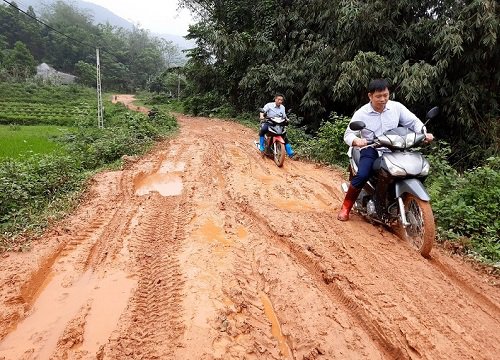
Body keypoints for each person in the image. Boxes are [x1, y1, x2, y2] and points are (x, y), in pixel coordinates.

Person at [337, 78, 434, 221]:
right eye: (378, 96)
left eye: (386, 95)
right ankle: (346, 207)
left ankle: (400, 200)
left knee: (413, 169)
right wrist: (357, 140)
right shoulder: (362, 113)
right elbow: (348, 134)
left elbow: (413, 121)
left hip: (394, 148)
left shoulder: (396, 107)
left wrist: (423, 132)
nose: (383, 99)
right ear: (370, 96)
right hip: (371, 149)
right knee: (363, 174)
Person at [259, 93, 295, 157]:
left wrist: (287, 119)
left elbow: (284, 116)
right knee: (263, 130)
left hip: (279, 124)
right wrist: (262, 116)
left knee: (284, 135)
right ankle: (261, 146)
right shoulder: (269, 105)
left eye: (281, 100)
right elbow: (262, 111)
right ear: (275, 99)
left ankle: (290, 152)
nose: (280, 101)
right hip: (270, 122)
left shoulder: (282, 107)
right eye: (278, 99)